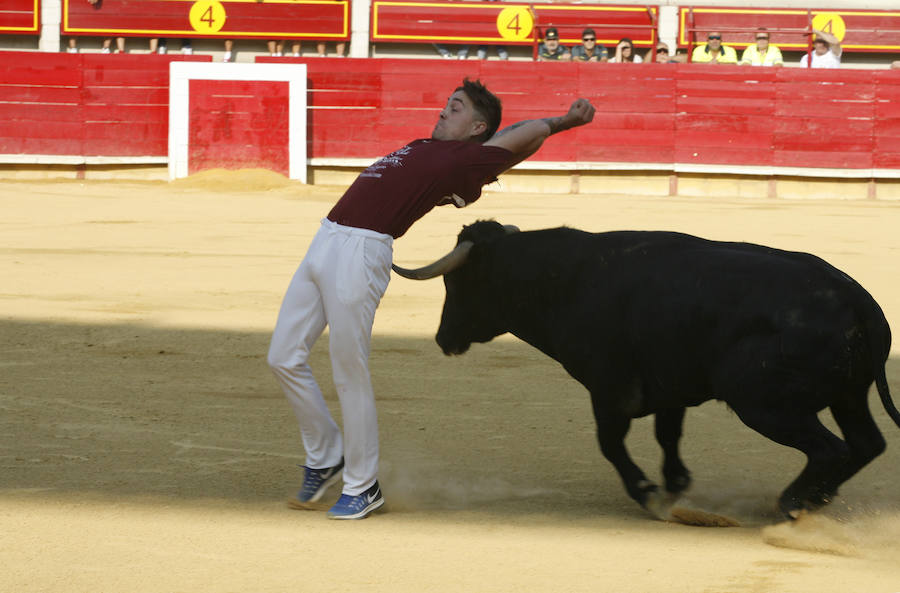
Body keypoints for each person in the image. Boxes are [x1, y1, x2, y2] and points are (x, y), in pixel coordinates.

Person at [267, 78, 595, 520]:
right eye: (446, 104)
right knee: (283, 356)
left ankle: (363, 487)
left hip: (362, 249)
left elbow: (523, 137)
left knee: (349, 368)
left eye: (455, 108)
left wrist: (564, 122)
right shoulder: (431, 147)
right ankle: (327, 456)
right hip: (326, 239)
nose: (444, 111)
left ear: (478, 128)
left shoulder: (466, 158)